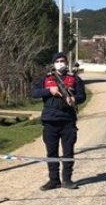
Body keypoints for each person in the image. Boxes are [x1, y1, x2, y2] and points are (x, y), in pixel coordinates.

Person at [32, 52, 87, 190]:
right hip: (50, 121)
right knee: (51, 152)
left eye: (63, 60)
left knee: (68, 152)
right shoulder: (46, 78)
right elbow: (33, 93)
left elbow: (82, 95)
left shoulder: (74, 79)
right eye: (57, 61)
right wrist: (49, 91)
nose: (60, 63)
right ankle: (54, 180)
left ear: (66, 62)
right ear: (54, 63)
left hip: (68, 121)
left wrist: (75, 99)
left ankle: (67, 180)